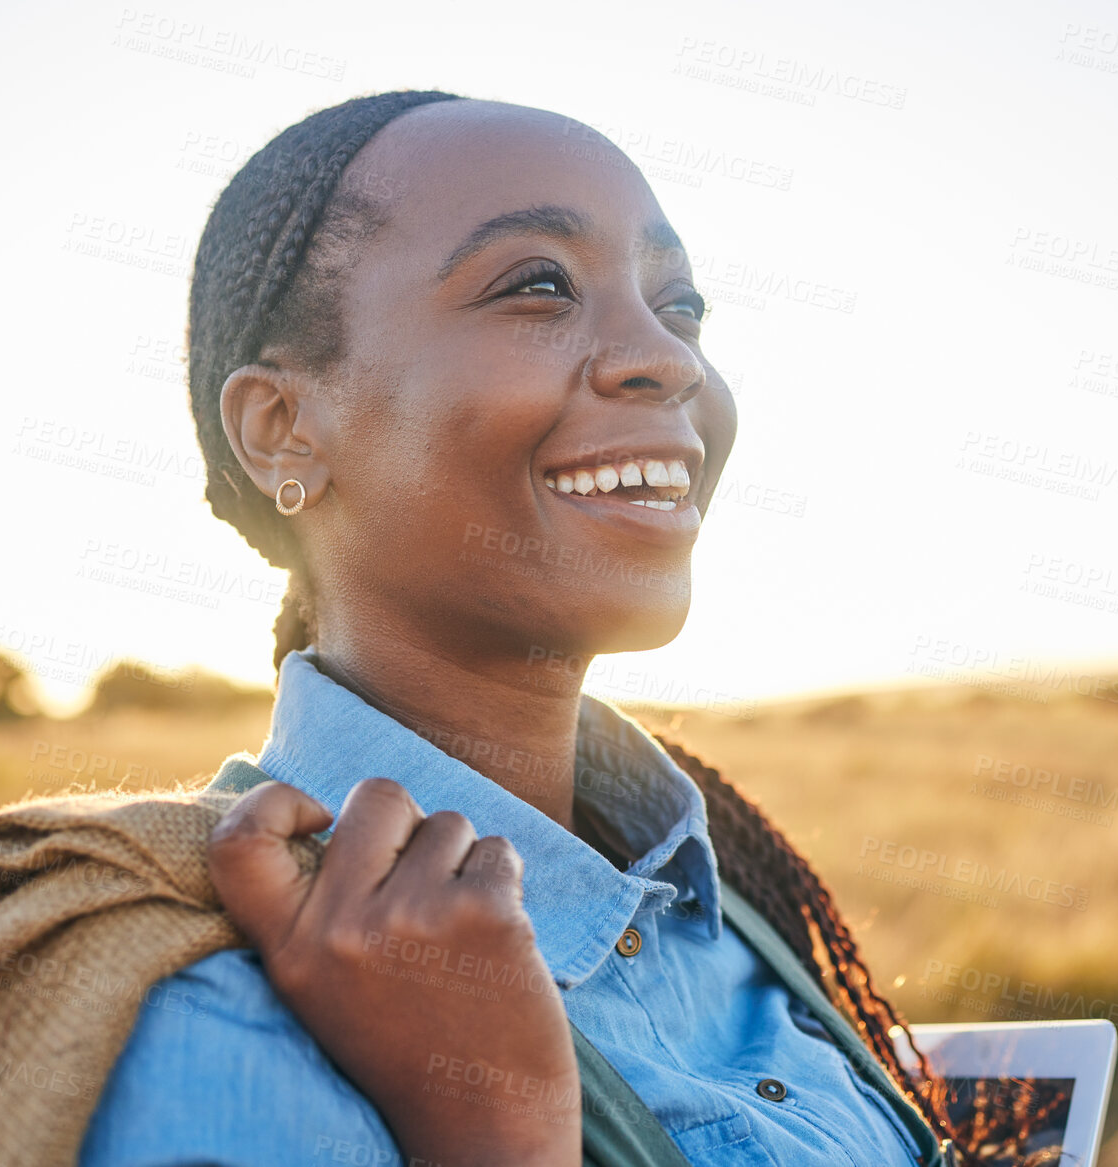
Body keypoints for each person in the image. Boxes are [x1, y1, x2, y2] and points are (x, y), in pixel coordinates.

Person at [74, 89, 1002, 1167]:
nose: (670, 359)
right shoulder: (213, 1029)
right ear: (285, 430)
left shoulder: (723, 900)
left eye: (681, 307)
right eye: (538, 286)